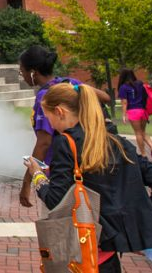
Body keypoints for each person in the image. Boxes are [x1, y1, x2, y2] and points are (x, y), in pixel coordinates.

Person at [26, 82, 152, 272]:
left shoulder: (66, 143)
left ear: (60, 112)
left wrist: (37, 175)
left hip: (81, 253)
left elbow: (55, 199)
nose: (51, 125)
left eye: (49, 117)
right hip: (109, 254)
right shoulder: (118, 143)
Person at [19, 44, 111, 208]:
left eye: (22, 72)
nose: (23, 76)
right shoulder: (71, 83)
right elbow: (105, 97)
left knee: (59, 221)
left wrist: (27, 182)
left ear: (33, 72)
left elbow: (44, 143)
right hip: (88, 162)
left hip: (59, 170)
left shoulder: (45, 97)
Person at [118, 69, 152, 160]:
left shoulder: (123, 87)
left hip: (133, 112)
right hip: (143, 111)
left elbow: (124, 102)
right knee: (143, 131)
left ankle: (143, 155)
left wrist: (124, 115)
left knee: (138, 133)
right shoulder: (140, 84)